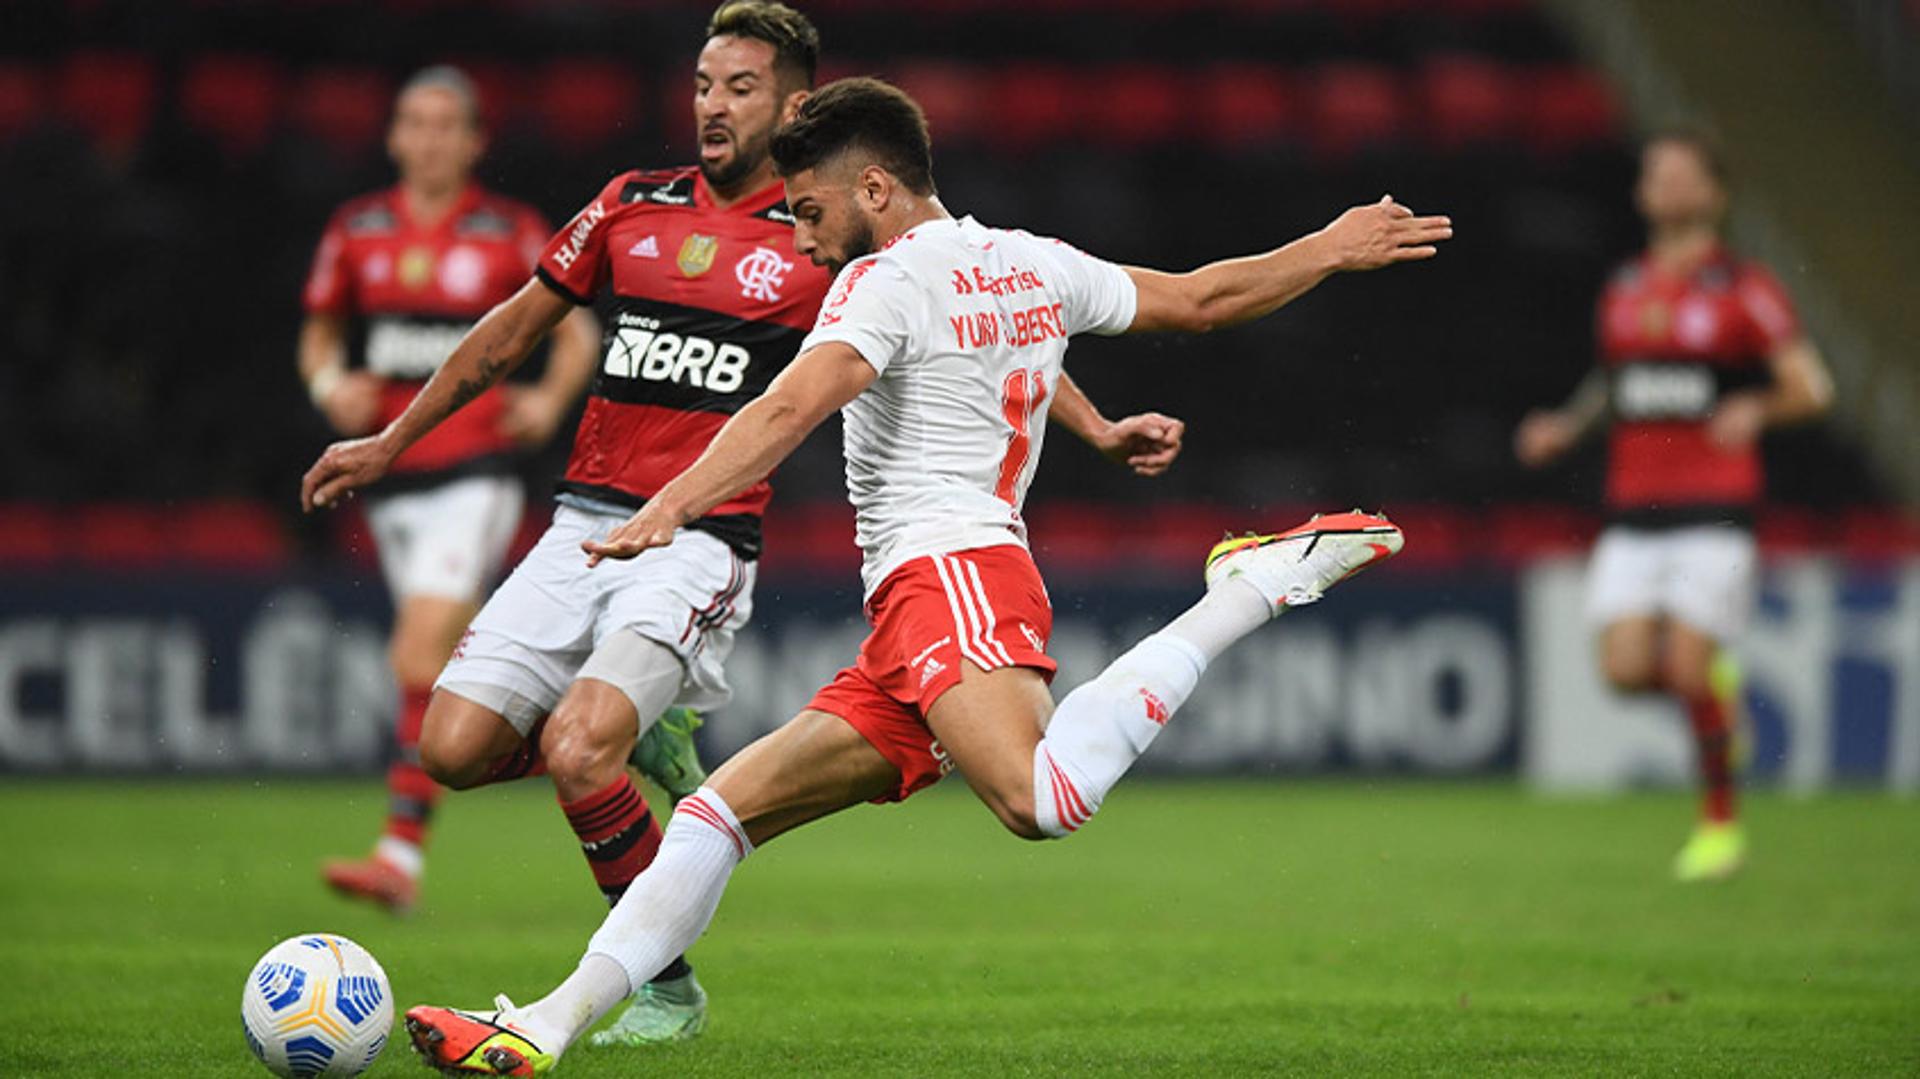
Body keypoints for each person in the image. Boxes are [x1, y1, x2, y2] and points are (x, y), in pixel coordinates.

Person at [399, 76, 1451, 1076]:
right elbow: (1204, 298)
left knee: (1041, 799)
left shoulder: (882, 280)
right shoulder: (1027, 259)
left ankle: (1248, 589)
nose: (799, 234)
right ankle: (542, 1025)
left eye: (809, 210)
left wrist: (667, 506)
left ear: (875, 189)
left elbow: (787, 408)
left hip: (953, 577)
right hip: (916, 607)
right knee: (714, 816)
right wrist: (1325, 247)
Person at [303, 7, 1182, 1048]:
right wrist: (394, 438)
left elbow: (981, 322)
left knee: (584, 745)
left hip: (700, 531)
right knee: (453, 746)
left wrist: (1089, 426)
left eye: (741, 87)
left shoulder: (830, 236)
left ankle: (660, 978)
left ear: (795, 104)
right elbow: (510, 331)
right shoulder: (632, 204)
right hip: (583, 518)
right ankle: (649, 738)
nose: (713, 107)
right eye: (704, 85)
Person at [301, 65, 602, 915]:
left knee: (418, 655)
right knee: (432, 673)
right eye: (414, 123)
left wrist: (545, 399)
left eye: (446, 126)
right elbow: (320, 335)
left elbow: (578, 329)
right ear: (394, 136)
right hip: (391, 479)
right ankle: (589, 712)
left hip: (475, 473)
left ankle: (399, 855)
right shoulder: (356, 229)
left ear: (474, 142)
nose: (429, 139)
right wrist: (332, 388)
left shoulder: (508, 232)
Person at [1514, 126, 1831, 882]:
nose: (1670, 186)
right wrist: (1566, 426)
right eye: (1658, 174)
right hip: (1633, 508)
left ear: (1714, 193)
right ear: (1643, 192)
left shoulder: (1744, 287)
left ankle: (1719, 825)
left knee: (1686, 662)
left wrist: (1757, 408)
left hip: (1715, 507)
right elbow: (1617, 384)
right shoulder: (1626, 287)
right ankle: (1718, 700)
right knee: (1624, 671)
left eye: (1685, 174)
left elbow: (1812, 387)